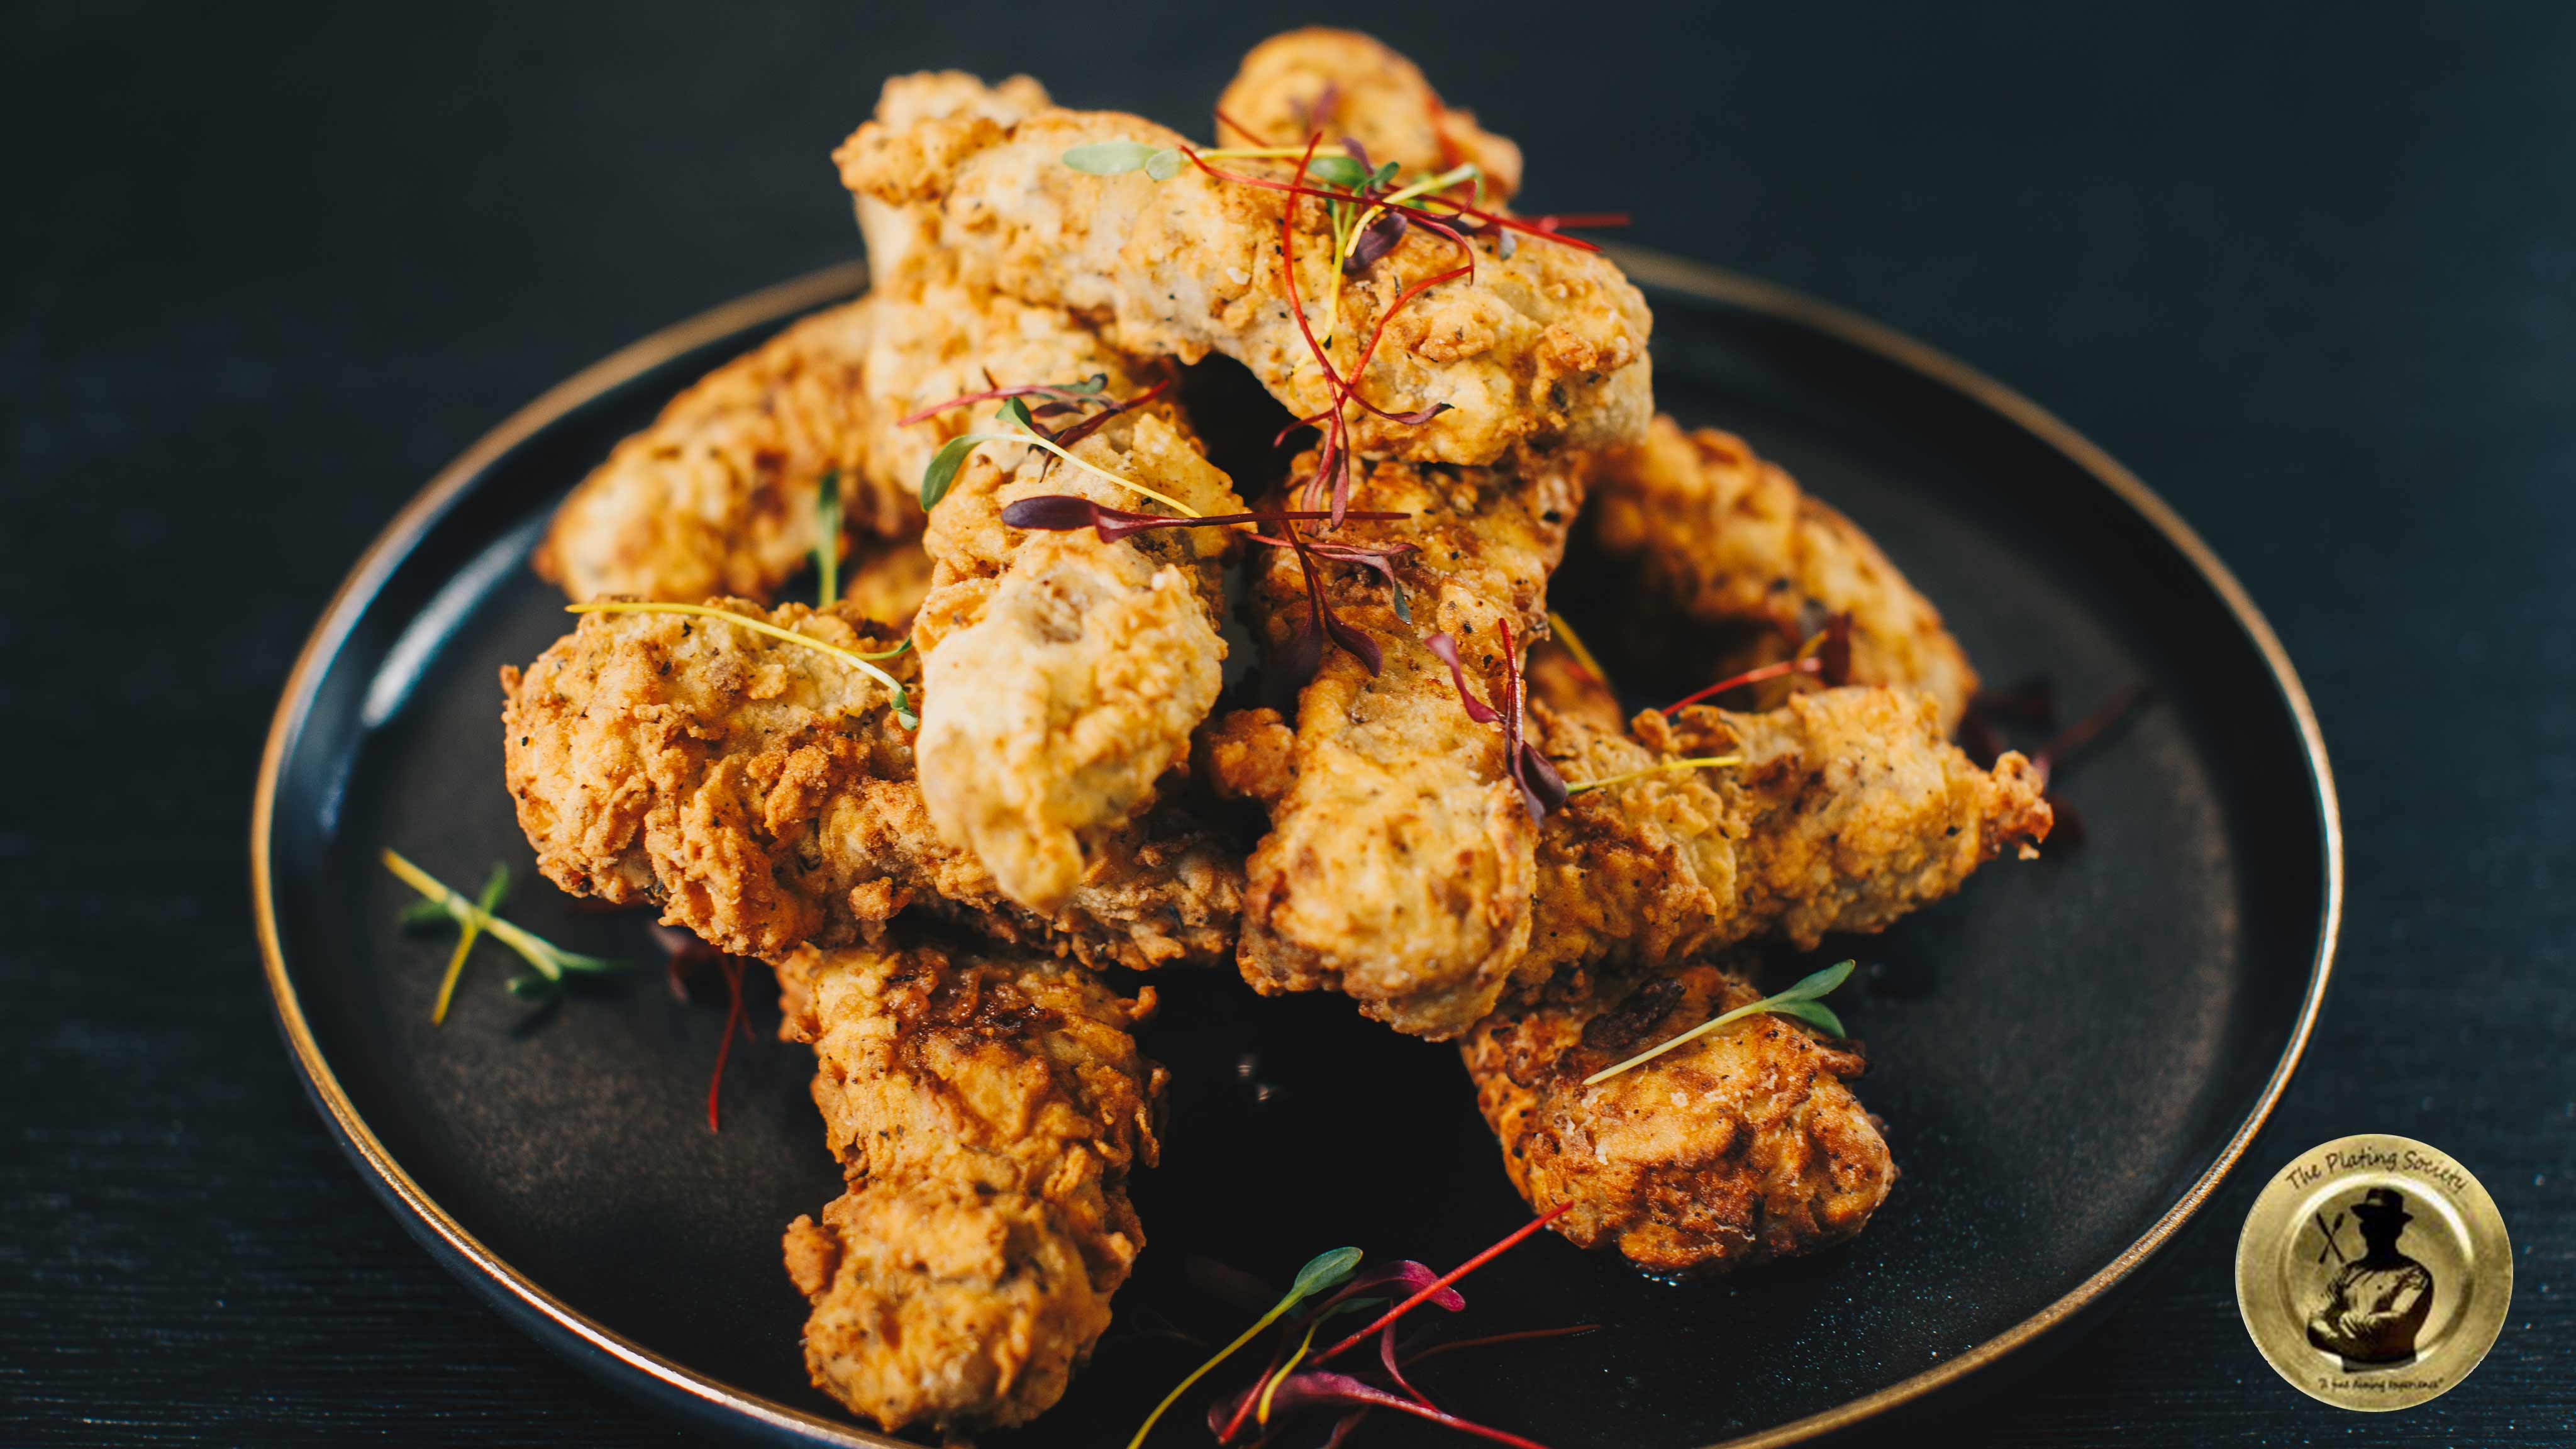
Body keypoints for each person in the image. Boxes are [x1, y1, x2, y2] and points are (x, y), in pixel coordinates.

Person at [2306, 1187, 2434, 1365]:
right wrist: (2338, 1342)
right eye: (2370, 1221)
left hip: (2400, 1377)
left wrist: (2341, 1319)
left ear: (2397, 1230)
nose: (2375, 1228)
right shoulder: (2346, 1273)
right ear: (2363, 1228)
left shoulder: (2415, 1275)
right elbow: (2315, 1322)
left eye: (2384, 1222)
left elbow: (2395, 1325)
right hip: (2348, 1377)